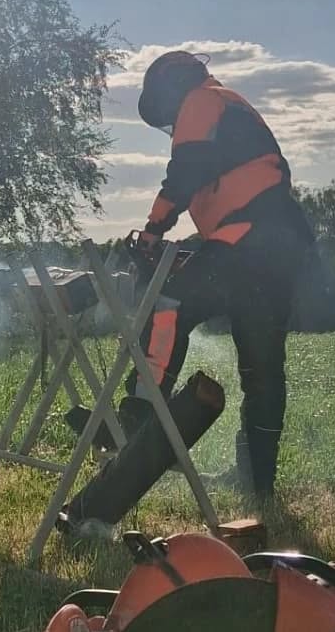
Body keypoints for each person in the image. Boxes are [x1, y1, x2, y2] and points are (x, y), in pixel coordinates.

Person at [120, 48, 315, 503]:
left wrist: (151, 232)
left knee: (169, 303)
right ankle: (256, 481)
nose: (169, 122)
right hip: (273, 246)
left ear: (171, 89)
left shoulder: (202, 102)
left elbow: (185, 173)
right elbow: (221, 185)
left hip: (248, 240)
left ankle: (136, 421)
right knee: (262, 370)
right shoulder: (227, 103)